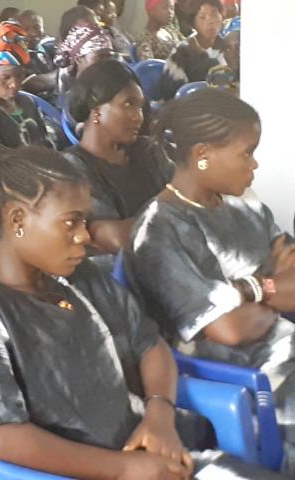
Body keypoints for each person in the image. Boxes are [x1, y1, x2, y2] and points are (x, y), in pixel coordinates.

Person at [0, 141, 287, 480]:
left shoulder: (80, 277)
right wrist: (122, 468)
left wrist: (159, 413)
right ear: (17, 219)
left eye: (85, 221)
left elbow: (149, 344)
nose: (84, 236)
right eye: (71, 222)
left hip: (151, 456)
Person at [125, 88, 295, 474]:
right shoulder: (160, 230)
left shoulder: (244, 204)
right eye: (247, 153)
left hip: (280, 343)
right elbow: (229, 330)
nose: (254, 164)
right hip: (243, 371)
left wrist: (252, 290)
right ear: (203, 154)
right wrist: (274, 284)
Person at [63, 60, 174, 255]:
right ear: (96, 110)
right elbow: (119, 239)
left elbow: (195, 195)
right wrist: (176, 208)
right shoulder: (72, 168)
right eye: (129, 104)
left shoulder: (147, 149)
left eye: (140, 107)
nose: (138, 116)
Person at [0, 22, 54, 149]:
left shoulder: (27, 101)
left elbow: (46, 143)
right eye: (5, 78)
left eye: (19, 76)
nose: (14, 84)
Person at [159, 0, 226, 100]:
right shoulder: (182, 51)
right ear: (193, 22)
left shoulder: (230, 47)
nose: (210, 21)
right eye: (202, 17)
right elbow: (170, 91)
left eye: (214, 15)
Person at [53, 21, 114, 96]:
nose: (107, 63)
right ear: (78, 59)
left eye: (109, 57)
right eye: (100, 57)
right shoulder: (76, 97)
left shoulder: (107, 84)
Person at [18, 10, 58, 99]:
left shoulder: (46, 48)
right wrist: (63, 72)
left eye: (37, 27)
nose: (32, 33)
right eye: (26, 29)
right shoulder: (16, 55)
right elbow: (36, 84)